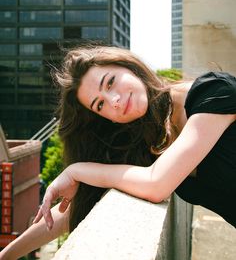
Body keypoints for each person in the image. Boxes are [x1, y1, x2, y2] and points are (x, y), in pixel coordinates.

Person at [0, 45, 235, 259]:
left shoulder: (212, 92)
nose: (113, 101)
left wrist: (76, 170)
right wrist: (7, 255)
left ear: (129, 67)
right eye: (99, 105)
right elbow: (69, 212)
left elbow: (156, 184)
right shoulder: (151, 143)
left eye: (110, 82)